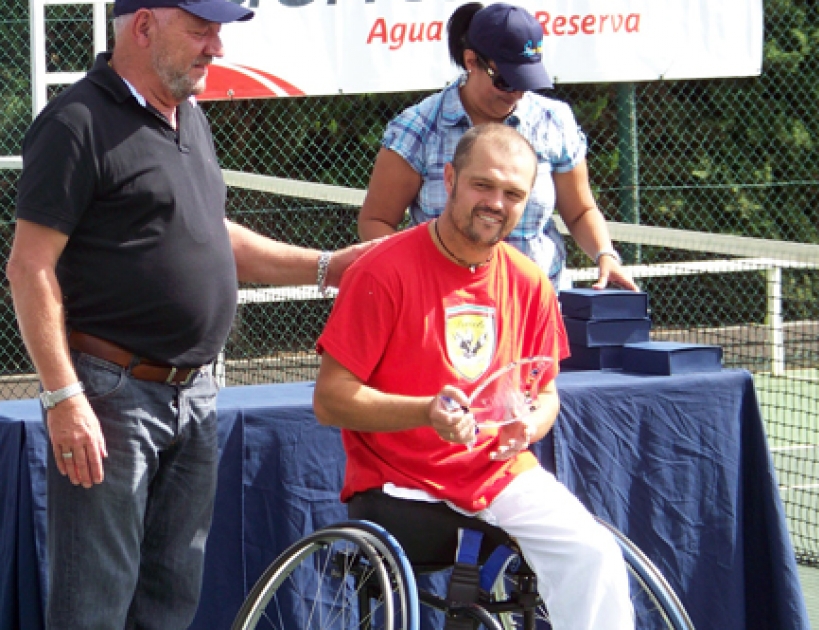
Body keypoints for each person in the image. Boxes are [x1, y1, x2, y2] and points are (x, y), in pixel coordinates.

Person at [6, 0, 372, 627]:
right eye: (201, 31)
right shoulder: (75, 123)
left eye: (219, 32)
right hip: (111, 397)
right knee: (94, 604)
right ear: (144, 26)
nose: (218, 49)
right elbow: (29, 266)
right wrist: (63, 396)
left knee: (172, 600)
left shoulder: (188, 117)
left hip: (195, 394)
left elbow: (208, 233)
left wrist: (327, 266)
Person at [314, 123, 634, 629]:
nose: (496, 202)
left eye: (512, 193)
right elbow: (330, 400)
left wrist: (529, 424)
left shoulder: (530, 281)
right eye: (483, 185)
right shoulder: (381, 270)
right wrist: (425, 412)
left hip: (499, 473)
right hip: (401, 481)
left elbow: (546, 392)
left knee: (594, 554)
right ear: (449, 179)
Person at [357, 1, 639, 293]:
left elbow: (580, 211)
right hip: (447, 307)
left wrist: (605, 254)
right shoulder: (418, 128)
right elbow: (376, 220)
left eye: (526, 81)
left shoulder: (553, 120)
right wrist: (414, 279)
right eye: (505, 81)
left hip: (539, 303)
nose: (517, 92)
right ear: (471, 61)